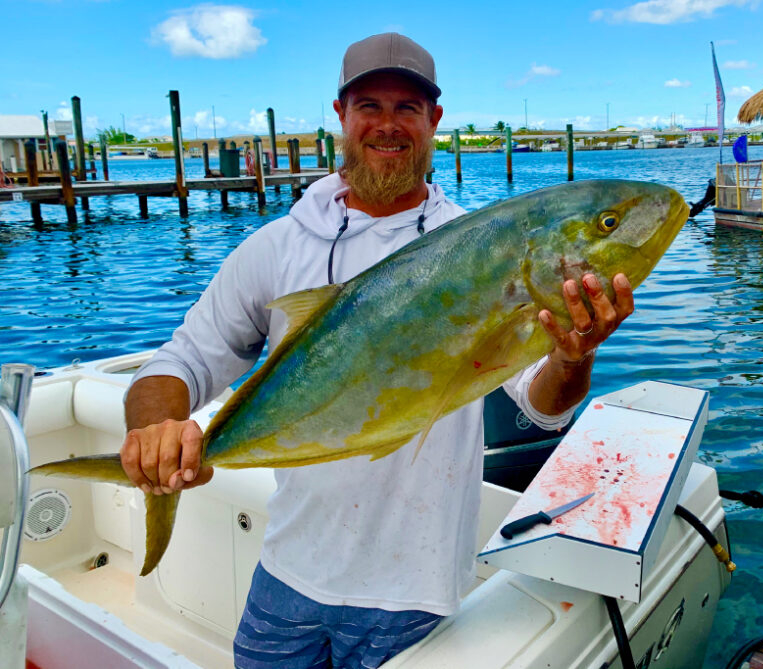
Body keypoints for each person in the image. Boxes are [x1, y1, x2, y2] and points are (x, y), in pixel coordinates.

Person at [119, 33, 636, 669]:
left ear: (434, 122)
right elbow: (181, 362)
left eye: (407, 108)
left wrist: (574, 355)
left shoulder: (480, 249)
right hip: (286, 575)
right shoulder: (278, 248)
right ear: (341, 115)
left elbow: (542, 405)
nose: (387, 125)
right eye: (370, 105)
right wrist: (154, 431)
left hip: (413, 594)